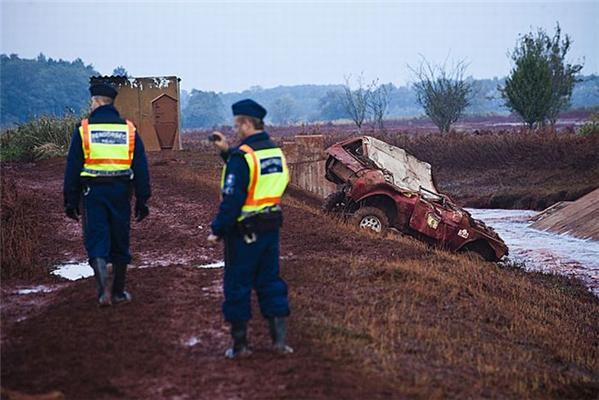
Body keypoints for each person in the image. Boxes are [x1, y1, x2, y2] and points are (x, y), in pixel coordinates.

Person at [208, 99, 293, 359]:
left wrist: (217, 230)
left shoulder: (242, 157)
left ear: (246, 123)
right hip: (270, 230)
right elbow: (271, 183)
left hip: (243, 234)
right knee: (270, 282)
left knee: (237, 285)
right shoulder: (274, 152)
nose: (236, 130)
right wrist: (227, 152)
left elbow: (233, 198)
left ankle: (241, 346)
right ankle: (279, 343)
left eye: (237, 125)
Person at [63, 82, 151, 307]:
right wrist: (142, 199)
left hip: (93, 193)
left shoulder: (84, 129)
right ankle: (120, 292)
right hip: (122, 193)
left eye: (92, 101)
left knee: (97, 237)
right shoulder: (128, 129)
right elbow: (141, 166)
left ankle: (103, 291)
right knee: (120, 238)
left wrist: (70, 201)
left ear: (96, 102)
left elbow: (73, 167)